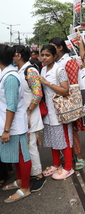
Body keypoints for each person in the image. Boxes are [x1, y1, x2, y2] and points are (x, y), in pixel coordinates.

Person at [0, 45, 32, 203]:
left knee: (22, 156)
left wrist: (6, 129)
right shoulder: (6, 74)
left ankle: (25, 187)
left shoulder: (10, 78)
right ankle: (20, 180)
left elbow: (11, 105)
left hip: (14, 125)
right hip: (10, 123)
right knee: (17, 156)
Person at [49, 37, 85, 170]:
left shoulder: (68, 62)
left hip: (68, 102)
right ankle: (69, 155)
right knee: (65, 131)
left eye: (52, 46)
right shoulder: (56, 62)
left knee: (72, 131)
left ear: (59, 47)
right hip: (58, 102)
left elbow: (73, 86)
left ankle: (79, 156)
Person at [12, 45, 46, 192]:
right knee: (26, 146)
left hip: (29, 115)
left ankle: (39, 175)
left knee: (30, 146)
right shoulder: (18, 71)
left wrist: (28, 111)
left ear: (18, 55)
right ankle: (31, 173)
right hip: (23, 116)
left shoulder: (30, 70)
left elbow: (38, 94)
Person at [39, 45, 74, 180]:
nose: (44, 58)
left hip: (60, 112)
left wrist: (47, 83)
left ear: (54, 56)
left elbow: (65, 90)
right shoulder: (42, 70)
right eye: (42, 55)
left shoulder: (59, 70)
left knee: (64, 140)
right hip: (48, 112)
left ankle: (68, 167)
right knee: (53, 139)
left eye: (47, 55)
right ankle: (56, 164)